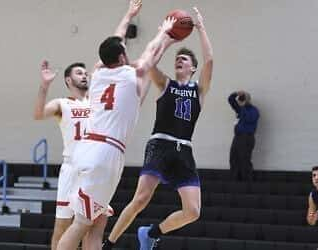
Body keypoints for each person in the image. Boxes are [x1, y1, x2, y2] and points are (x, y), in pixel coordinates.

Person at [56, 2, 177, 250]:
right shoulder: (131, 76)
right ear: (122, 56)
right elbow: (150, 55)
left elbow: (119, 41)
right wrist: (166, 33)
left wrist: (129, 15)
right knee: (80, 224)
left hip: (87, 149)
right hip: (105, 154)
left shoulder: (98, 73)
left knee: (98, 221)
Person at [103, 7, 213, 250]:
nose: (179, 60)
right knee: (140, 199)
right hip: (160, 145)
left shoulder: (199, 90)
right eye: (177, 58)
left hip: (184, 150)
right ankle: (109, 244)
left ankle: (151, 232)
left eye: (184, 59)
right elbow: (148, 64)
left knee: (193, 211)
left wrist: (201, 28)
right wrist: (165, 36)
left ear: (193, 68)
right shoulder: (165, 84)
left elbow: (210, 61)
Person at [34, 61, 110, 250]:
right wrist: (44, 86)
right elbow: (38, 114)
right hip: (72, 168)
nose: (84, 75)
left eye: (85, 73)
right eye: (79, 73)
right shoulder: (62, 103)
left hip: (94, 169)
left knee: (91, 227)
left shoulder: (97, 102)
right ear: (68, 79)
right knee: (62, 227)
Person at [228, 90, 259, 181]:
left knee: (244, 159)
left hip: (247, 137)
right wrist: (237, 93)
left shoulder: (253, 110)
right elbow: (230, 100)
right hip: (237, 137)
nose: (240, 101)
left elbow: (249, 119)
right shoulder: (240, 109)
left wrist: (243, 107)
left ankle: (247, 180)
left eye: (243, 99)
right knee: (233, 158)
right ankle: (235, 179)